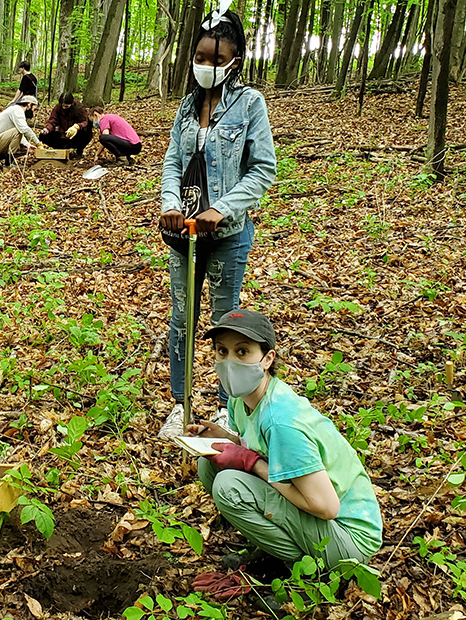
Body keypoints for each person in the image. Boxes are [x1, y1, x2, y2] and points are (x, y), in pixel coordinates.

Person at [187, 309, 382, 599]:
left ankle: (306, 575)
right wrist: (227, 439)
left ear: (267, 359)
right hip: (323, 522)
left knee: (229, 486)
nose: (230, 363)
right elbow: (258, 444)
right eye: (222, 352)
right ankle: (275, 553)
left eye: (243, 352)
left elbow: (326, 506)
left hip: (348, 539)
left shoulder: (281, 420)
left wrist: (249, 462)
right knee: (211, 465)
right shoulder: (243, 400)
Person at [155, 5, 276, 438]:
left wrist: (221, 208)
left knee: (226, 322)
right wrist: (171, 201)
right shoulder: (187, 106)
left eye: (217, 59)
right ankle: (181, 404)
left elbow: (262, 169)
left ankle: (229, 410)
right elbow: (173, 160)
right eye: (201, 58)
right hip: (182, 235)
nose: (207, 66)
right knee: (182, 318)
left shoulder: (250, 105)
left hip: (227, 235)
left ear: (235, 61)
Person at [0, 96, 43, 166]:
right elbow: (23, 129)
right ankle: (8, 165)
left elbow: (18, 131)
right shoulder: (17, 110)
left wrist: (27, 144)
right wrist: (38, 143)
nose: (33, 112)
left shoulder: (16, 110)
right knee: (17, 132)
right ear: (29, 104)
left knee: (25, 148)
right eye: (34, 109)